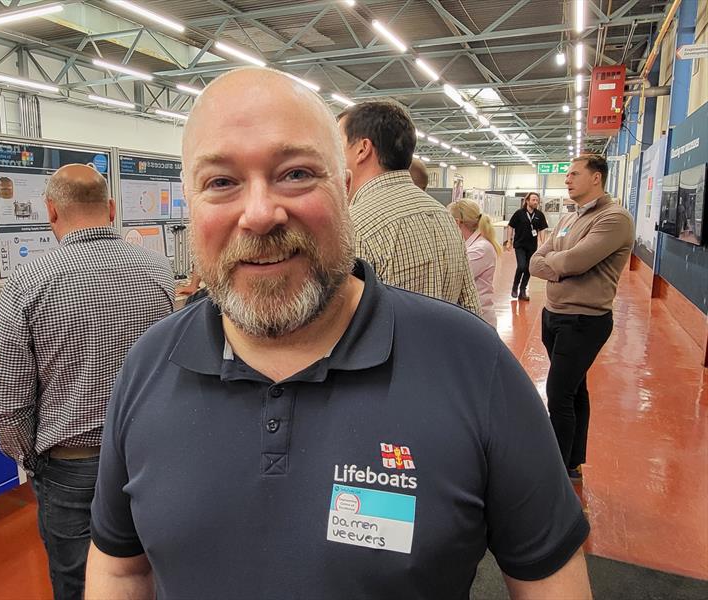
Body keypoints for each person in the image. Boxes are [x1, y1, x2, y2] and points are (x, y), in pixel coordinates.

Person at [85, 67, 592, 600]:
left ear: (346, 186)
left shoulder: (473, 365)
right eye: (221, 182)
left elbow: (550, 582)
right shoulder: (147, 367)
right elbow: (122, 569)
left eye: (296, 173)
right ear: (191, 201)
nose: (259, 214)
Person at [0, 164, 176, 600]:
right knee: (151, 572)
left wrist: (36, 462)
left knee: (79, 584)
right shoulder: (157, 269)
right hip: (152, 455)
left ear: (51, 211)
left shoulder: (27, 282)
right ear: (110, 208)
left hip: (73, 467)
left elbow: (7, 406)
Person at [530, 154, 634, 482]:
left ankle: (556, 472)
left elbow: (575, 262)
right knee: (575, 390)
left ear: (596, 178)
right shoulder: (569, 218)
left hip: (583, 321)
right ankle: (573, 462)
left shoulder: (614, 219)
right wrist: (558, 262)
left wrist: (557, 261)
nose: (567, 179)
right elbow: (536, 260)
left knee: (559, 392)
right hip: (555, 315)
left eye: (574, 173)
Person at [338, 101, 481, 315]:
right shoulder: (444, 216)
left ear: (362, 149)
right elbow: (470, 307)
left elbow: (342, 328)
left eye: (336, 143)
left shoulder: (353, 227)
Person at [449, 199, 501, 327]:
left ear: (456, 222)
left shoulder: (480, 249)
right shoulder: (470, 244)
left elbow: (454, 276)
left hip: (479, 319)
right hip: (470, 317)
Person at [507, 192, 548, 300]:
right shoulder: (519, 213)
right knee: (521, 266)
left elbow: (542, 229)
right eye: (533, 200)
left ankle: (523, 291)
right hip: (520, 244)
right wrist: (509, 241)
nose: (535, 202)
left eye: (537, 200)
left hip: (532, 246)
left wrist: (543, 243)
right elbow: (511, 226)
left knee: (528, 269)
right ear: (527, 201)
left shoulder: (539, 215)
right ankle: (515, 287)